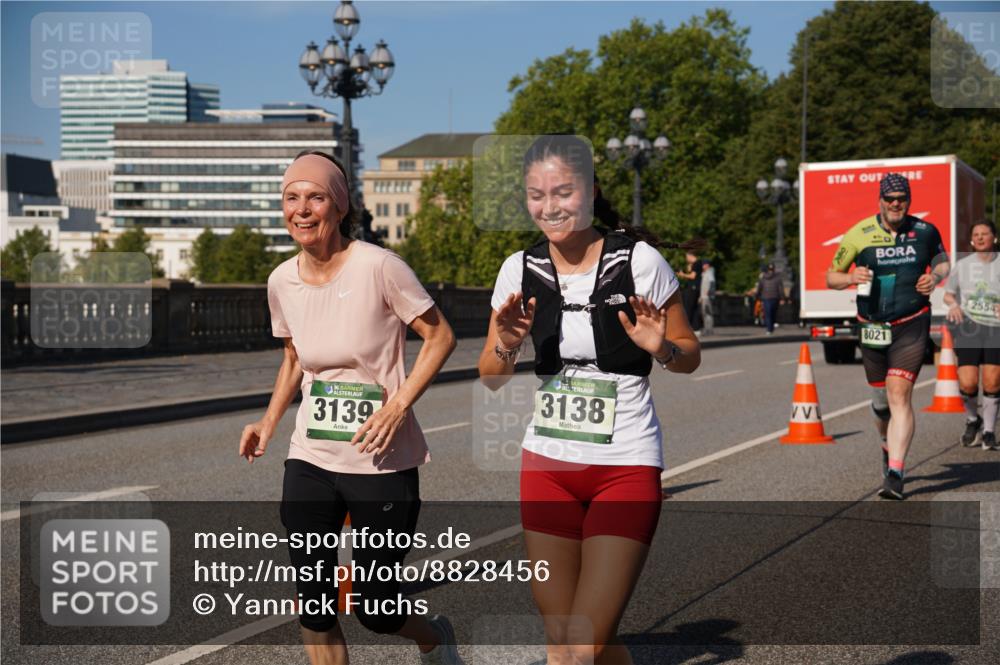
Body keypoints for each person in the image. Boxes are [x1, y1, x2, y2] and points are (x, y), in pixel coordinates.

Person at [477, 135, 701, 665]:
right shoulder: (519, 269)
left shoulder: (639, 260)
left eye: (563, 192)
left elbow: (690, 354)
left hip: (624, 465)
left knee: (579, 646)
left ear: (591, 191)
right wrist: (507, 345)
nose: (549, 206)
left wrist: (661, 347)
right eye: (536, 195)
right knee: (572, 644)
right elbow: (490, 375)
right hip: (547, 467)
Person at [239, 151, 464, 665]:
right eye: (291, 198)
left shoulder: (380, 267)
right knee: (315, 606)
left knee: (377, 610)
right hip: (310, 458)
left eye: (316, 197)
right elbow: (295, 355)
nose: (302, 208)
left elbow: (440, 337)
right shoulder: (281, 281)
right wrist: (268, 422)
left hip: (379, 458)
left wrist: (398, 405)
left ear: (338, 207)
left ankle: (434, 637)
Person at [826, 173, 950, 500]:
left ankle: (895, 472)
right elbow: (831, 276)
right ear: (880, 200)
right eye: (890, 198)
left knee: (899, 393)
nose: (896, 204)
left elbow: (942, 263)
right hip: (873, 325)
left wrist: (934, 278)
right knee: (881, 403)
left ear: (909, 200)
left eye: (902, 198)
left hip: (912, 320)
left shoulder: (925, 231)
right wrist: (851, 277)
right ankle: (886, 443)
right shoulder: (860, 233)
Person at [944, 220, 1000, 451]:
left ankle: (988, 432)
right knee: (967, 382)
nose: (979, 238)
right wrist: (954, 305)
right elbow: (948, 294)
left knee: (992, 381)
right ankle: (972, 419)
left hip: (996, 329)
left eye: (984, 234)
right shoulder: (963, 265)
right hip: (969, 326)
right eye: (975, 234)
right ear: (970, 240)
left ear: (994, 238)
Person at [752, 263, 784, 334]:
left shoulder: (763, 278)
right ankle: (771, 327)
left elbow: (759, 288)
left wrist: (757, 296)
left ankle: (769, 328)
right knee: (773, 313)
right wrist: (782, 298)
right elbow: (780, 289)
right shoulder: (778, 278)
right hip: (775, 297)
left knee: (768, 313)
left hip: (766, 297)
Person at [677, 252, 703, 332]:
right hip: (695, 288)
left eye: (686, 256)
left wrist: (682, 275)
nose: (686, 259)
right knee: (694, 308)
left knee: (689, 307)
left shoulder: (697, 263)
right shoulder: (697, 263)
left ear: (690, 255)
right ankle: (695, 328)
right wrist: (689, 268)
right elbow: (692, 273)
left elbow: (693, 276)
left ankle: (688, 327)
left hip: (693, 288)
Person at [698, 259, 716, 336]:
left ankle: (709, 330)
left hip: (707, 297)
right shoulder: (706, 273)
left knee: (707, 313)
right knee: (705, 313)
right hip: (704, 296)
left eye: (703, 264)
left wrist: (709, 291)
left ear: (707, 265)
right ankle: (707, 329)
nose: (702, 266)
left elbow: (712, 282)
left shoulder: (709, 272)